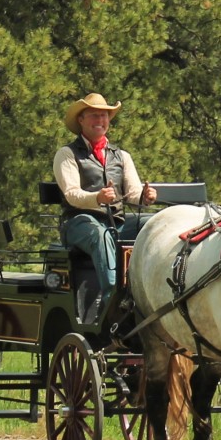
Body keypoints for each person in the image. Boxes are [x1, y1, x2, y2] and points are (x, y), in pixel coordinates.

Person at [54, 93, 158, 321]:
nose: (100, 120)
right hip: (79, 223)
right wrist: (97, 198)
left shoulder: (121, 156)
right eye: (94, 115)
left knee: (156, 224)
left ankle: (156, 286)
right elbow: (71, 194)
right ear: (81, 120)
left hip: (116, 223)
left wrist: (145, 196)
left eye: (104, 115)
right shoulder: (67, 154)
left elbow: (132, 193)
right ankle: (112, 293)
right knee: (101, 236)